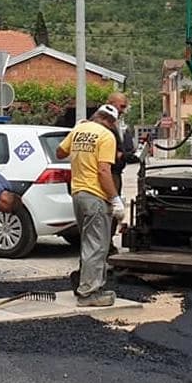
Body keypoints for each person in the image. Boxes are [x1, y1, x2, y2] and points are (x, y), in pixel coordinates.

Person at [56, 103, 125, 307]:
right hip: (95, 196)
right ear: (111, 122)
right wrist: (115, 199)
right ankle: (89, 293)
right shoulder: (106, 136)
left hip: (78, 195)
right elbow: (104, 171)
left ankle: (86, 285)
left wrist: (77, 134)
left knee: (88, 244)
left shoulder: (79, 129)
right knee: (97, 246)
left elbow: (60, 152)